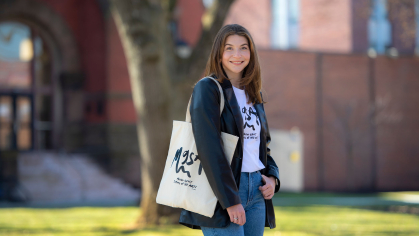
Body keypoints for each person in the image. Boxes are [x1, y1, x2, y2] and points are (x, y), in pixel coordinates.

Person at [179, 24, 280, 236]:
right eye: (229, 48)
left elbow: (263, 146)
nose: (237, 54)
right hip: (223, 192)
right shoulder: (208, 89)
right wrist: (230, 200)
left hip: (257, 190)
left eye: (243, 48)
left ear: (251, 53)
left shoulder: (254, 94)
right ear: (219, 53)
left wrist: (272, 178)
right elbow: (209, 149)